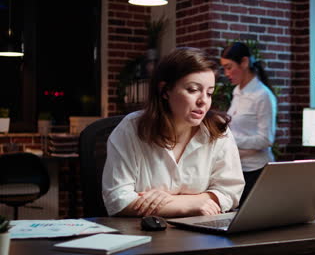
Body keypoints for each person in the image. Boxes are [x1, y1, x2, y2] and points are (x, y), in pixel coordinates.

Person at [102, 47, 245, 217]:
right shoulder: (130, 129)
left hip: (201, 237)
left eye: (209, 93)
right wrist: (188, 206)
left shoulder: (218, 130)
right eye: (193, 90)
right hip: (145, 236)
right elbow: (117, 199)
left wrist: (170, 201)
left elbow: (229, 192)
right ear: (165, 90)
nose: (203, 101)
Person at [220, 42, 277, 205]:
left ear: (244, 62)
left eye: (229, 67)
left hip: (258, 171)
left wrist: (230, 140)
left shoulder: (263, 95)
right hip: (239, 169)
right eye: (224, 68)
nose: (226, 73)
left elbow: (266, 139)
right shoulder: (236, 91)